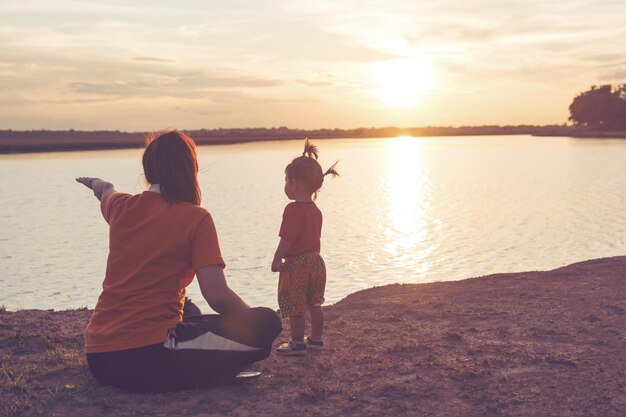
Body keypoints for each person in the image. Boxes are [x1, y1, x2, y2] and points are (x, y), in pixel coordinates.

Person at [76, 130, 282, 392]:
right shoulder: (196, 218)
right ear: (190, 170)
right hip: (151, 356)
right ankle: (215, 366)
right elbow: (217, 295)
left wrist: (94, 181)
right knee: (268, 322)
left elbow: (105, 191)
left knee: (187, 308)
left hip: (100, 357)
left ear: (149, 169)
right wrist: (251, 319)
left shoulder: (122, 207)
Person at [271, 139, 338, 356]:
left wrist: (276, 259)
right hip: (316, 262)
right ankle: (316, 340)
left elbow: (287, 239)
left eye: (286, 180)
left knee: (295, 305)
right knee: (314, 303)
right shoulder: (316, 210)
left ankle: (297, 343)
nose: (284, 185)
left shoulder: (292, 210)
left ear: (295, 184)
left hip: (297, 264)